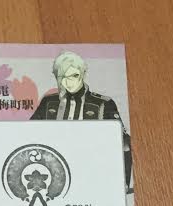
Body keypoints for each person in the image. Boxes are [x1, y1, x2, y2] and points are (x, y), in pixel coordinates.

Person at [31, 51, 131, 190]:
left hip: (90, 169)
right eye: (62, 77)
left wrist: (122, 181)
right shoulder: (48, 102)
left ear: (83, 73)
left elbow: (123, 142)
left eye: (74, 75)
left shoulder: (103, 103)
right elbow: (29, 133)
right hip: (52, 169)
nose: (68, 81)